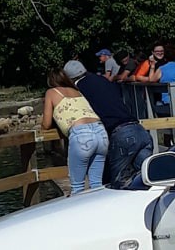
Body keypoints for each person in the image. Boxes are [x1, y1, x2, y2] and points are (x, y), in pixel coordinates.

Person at [63, 60, 153, 188]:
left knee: (118, 183)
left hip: (121, 133)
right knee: (147, 177)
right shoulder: (102, 80)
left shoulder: (79, 88)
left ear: (69, 78)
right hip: (139, 130)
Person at [41, 68, 109, 194]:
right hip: (101, 132)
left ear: (50, 81)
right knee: (97, 185)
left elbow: (46, 124)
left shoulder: (51, 92)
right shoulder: (77, 91)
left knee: (77, 187)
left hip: (81, 134)